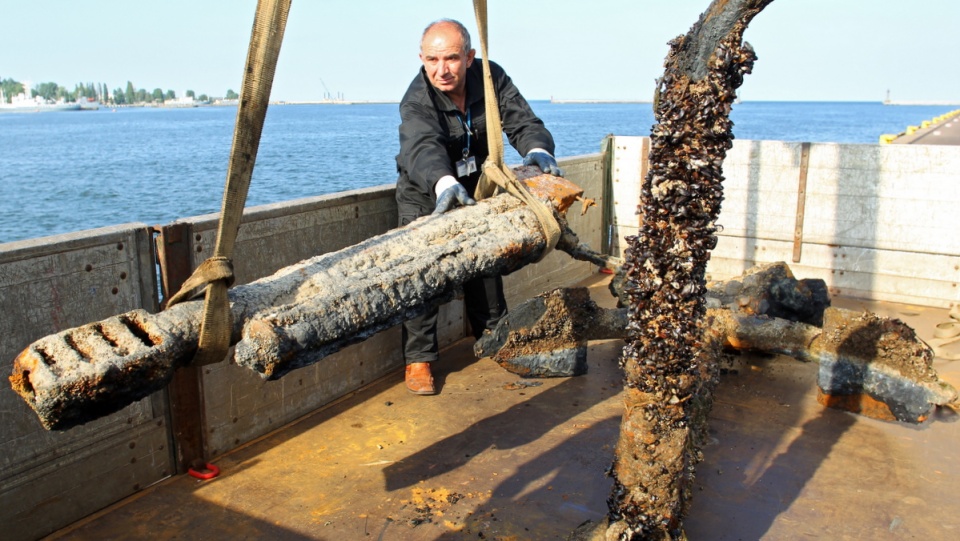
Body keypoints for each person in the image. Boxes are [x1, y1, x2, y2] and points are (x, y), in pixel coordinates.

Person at [395, 18, 562, 395]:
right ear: (421, 59)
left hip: (476, 188)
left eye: (452, 58)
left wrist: (538, 150)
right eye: (433, 59)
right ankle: (419, 359)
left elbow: (522, 120)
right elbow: (422, 146)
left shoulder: (491, 78)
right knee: (422, 276)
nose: (442, 69)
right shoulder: (417, 98)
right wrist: (444, 183)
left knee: (487, 266)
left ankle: (494, 336)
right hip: (427, 191)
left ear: (469, 57)